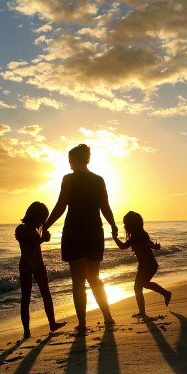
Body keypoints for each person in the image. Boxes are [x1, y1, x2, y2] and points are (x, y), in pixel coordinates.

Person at [44, 144, 118, 332]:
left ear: (76, 160)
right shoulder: (98, 180)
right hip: (94, 233)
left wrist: (45, 225)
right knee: (95, 278)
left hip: (74, 233)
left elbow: (61, 206)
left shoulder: (69, 180)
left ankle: (83, 324)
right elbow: (105, 207)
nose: (68, 164)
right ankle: (108, 317)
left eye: (70, 160)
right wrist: (113, 225)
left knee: (78, 281)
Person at [15, 202, 66, 339]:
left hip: (27, 264)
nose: (44, 220)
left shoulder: (24, 229)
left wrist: (43, 237)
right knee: (41, 294)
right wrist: (42, 238)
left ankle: (29, 330)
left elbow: (37, 240)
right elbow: (32, 242)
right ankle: (48, 324)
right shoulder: (25, 229)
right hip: (35, 263)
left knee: (29, 297)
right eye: (44, 217)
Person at [113, 211, 172, 319]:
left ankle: (145, 311)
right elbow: (152, 246)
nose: (125, 226)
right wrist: (156, 247)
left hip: (147, 265)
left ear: (132, 224)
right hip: (149, 265)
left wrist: (115, 238)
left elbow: (122, 246)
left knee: (138, 287)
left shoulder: (136, 236)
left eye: (126, 223)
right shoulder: (142, 234)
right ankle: (165, 294)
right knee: (142, 285)